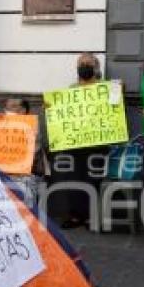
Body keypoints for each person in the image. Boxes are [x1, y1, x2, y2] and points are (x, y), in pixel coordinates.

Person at [47, 53, 108, 229]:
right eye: (81, 64)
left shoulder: (106, 88)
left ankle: (91, 216)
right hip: (74, 143)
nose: (84, 66)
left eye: (88, 63)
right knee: (73, 178)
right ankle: (75, 215)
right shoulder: (71, 89)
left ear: (96, 68)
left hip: (98, 142)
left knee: (93, 179)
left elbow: (116, 112)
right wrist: (51, 109)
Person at [0, 97, 49, 209]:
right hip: (6, 174)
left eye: (12, 107)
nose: (7, 110)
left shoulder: (32, 125)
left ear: (22, 110)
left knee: (26, 202)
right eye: (6, 107)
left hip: (28, 175)